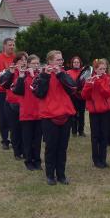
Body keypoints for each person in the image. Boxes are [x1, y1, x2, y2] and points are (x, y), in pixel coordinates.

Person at [33, 51, 76, 185]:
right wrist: (45, 76)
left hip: (65, 114)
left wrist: (60, 74)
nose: (60, 62)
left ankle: (61, 175)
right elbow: (39, 93)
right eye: (57, 60)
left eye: (61, 60)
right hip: (49, 115)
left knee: (62, 147)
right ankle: (50, 175)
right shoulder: (42, 75)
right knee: (51, 147)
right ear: (50, 61)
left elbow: (72, 88)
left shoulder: (64, 74)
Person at [82, 59, 110, 169]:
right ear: (95, 69)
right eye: (100, 69)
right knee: (95, 136)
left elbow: (108, 94)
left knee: (104, 136)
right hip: (95, 112)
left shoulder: (108, 79)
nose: (102, 71)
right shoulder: (90, 79)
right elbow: (84, 96)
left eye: (104, 69)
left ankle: (103, 159)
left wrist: (99, 82)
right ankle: (96, 160)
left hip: (106, 111)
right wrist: (89, 84)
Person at [12, 55, 43, 171]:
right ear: (28, 64)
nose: (36, 65)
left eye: (37, 63)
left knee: (37, 140)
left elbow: (42, 90)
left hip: (39, 113)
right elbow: (17, 91)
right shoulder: (23, 76)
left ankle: (37, 161)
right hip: (27, 113)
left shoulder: (40, 76)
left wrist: (36, 75)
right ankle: (28, 161)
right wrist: (21, 76)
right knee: (28, 140)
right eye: (33, 63)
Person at [0, 38, 16, 149]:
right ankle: (5, 140)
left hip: (13, 90)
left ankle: (15, 140)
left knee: (14, 116)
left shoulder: (16, 58)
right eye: (10, 45)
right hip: (1, 91)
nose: (12, 47)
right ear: (4, 46)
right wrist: (1, 74)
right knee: (3, 115)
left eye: (13, 45)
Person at [1, 51, 28, 160]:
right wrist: (10, 73)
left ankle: (25, 152)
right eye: (21, 60)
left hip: (25, 105)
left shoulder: (28, 72)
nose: (24, 62)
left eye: (25, 60)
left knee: (25, 130)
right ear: (16, 62)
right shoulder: (11, 71)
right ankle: (17, 152)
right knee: (15, 129)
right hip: (12, 104)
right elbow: (4, 84)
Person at [66, 56, 87, 137]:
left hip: (81, 96)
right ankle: (74, 131)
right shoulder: (68, 72)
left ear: (80, 63)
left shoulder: (84, 72)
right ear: (72, 63)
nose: (76, 63)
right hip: (72, 96)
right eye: (74, 62)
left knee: (81, 114)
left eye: (77, 62)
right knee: (73, 114)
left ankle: (81, 131)